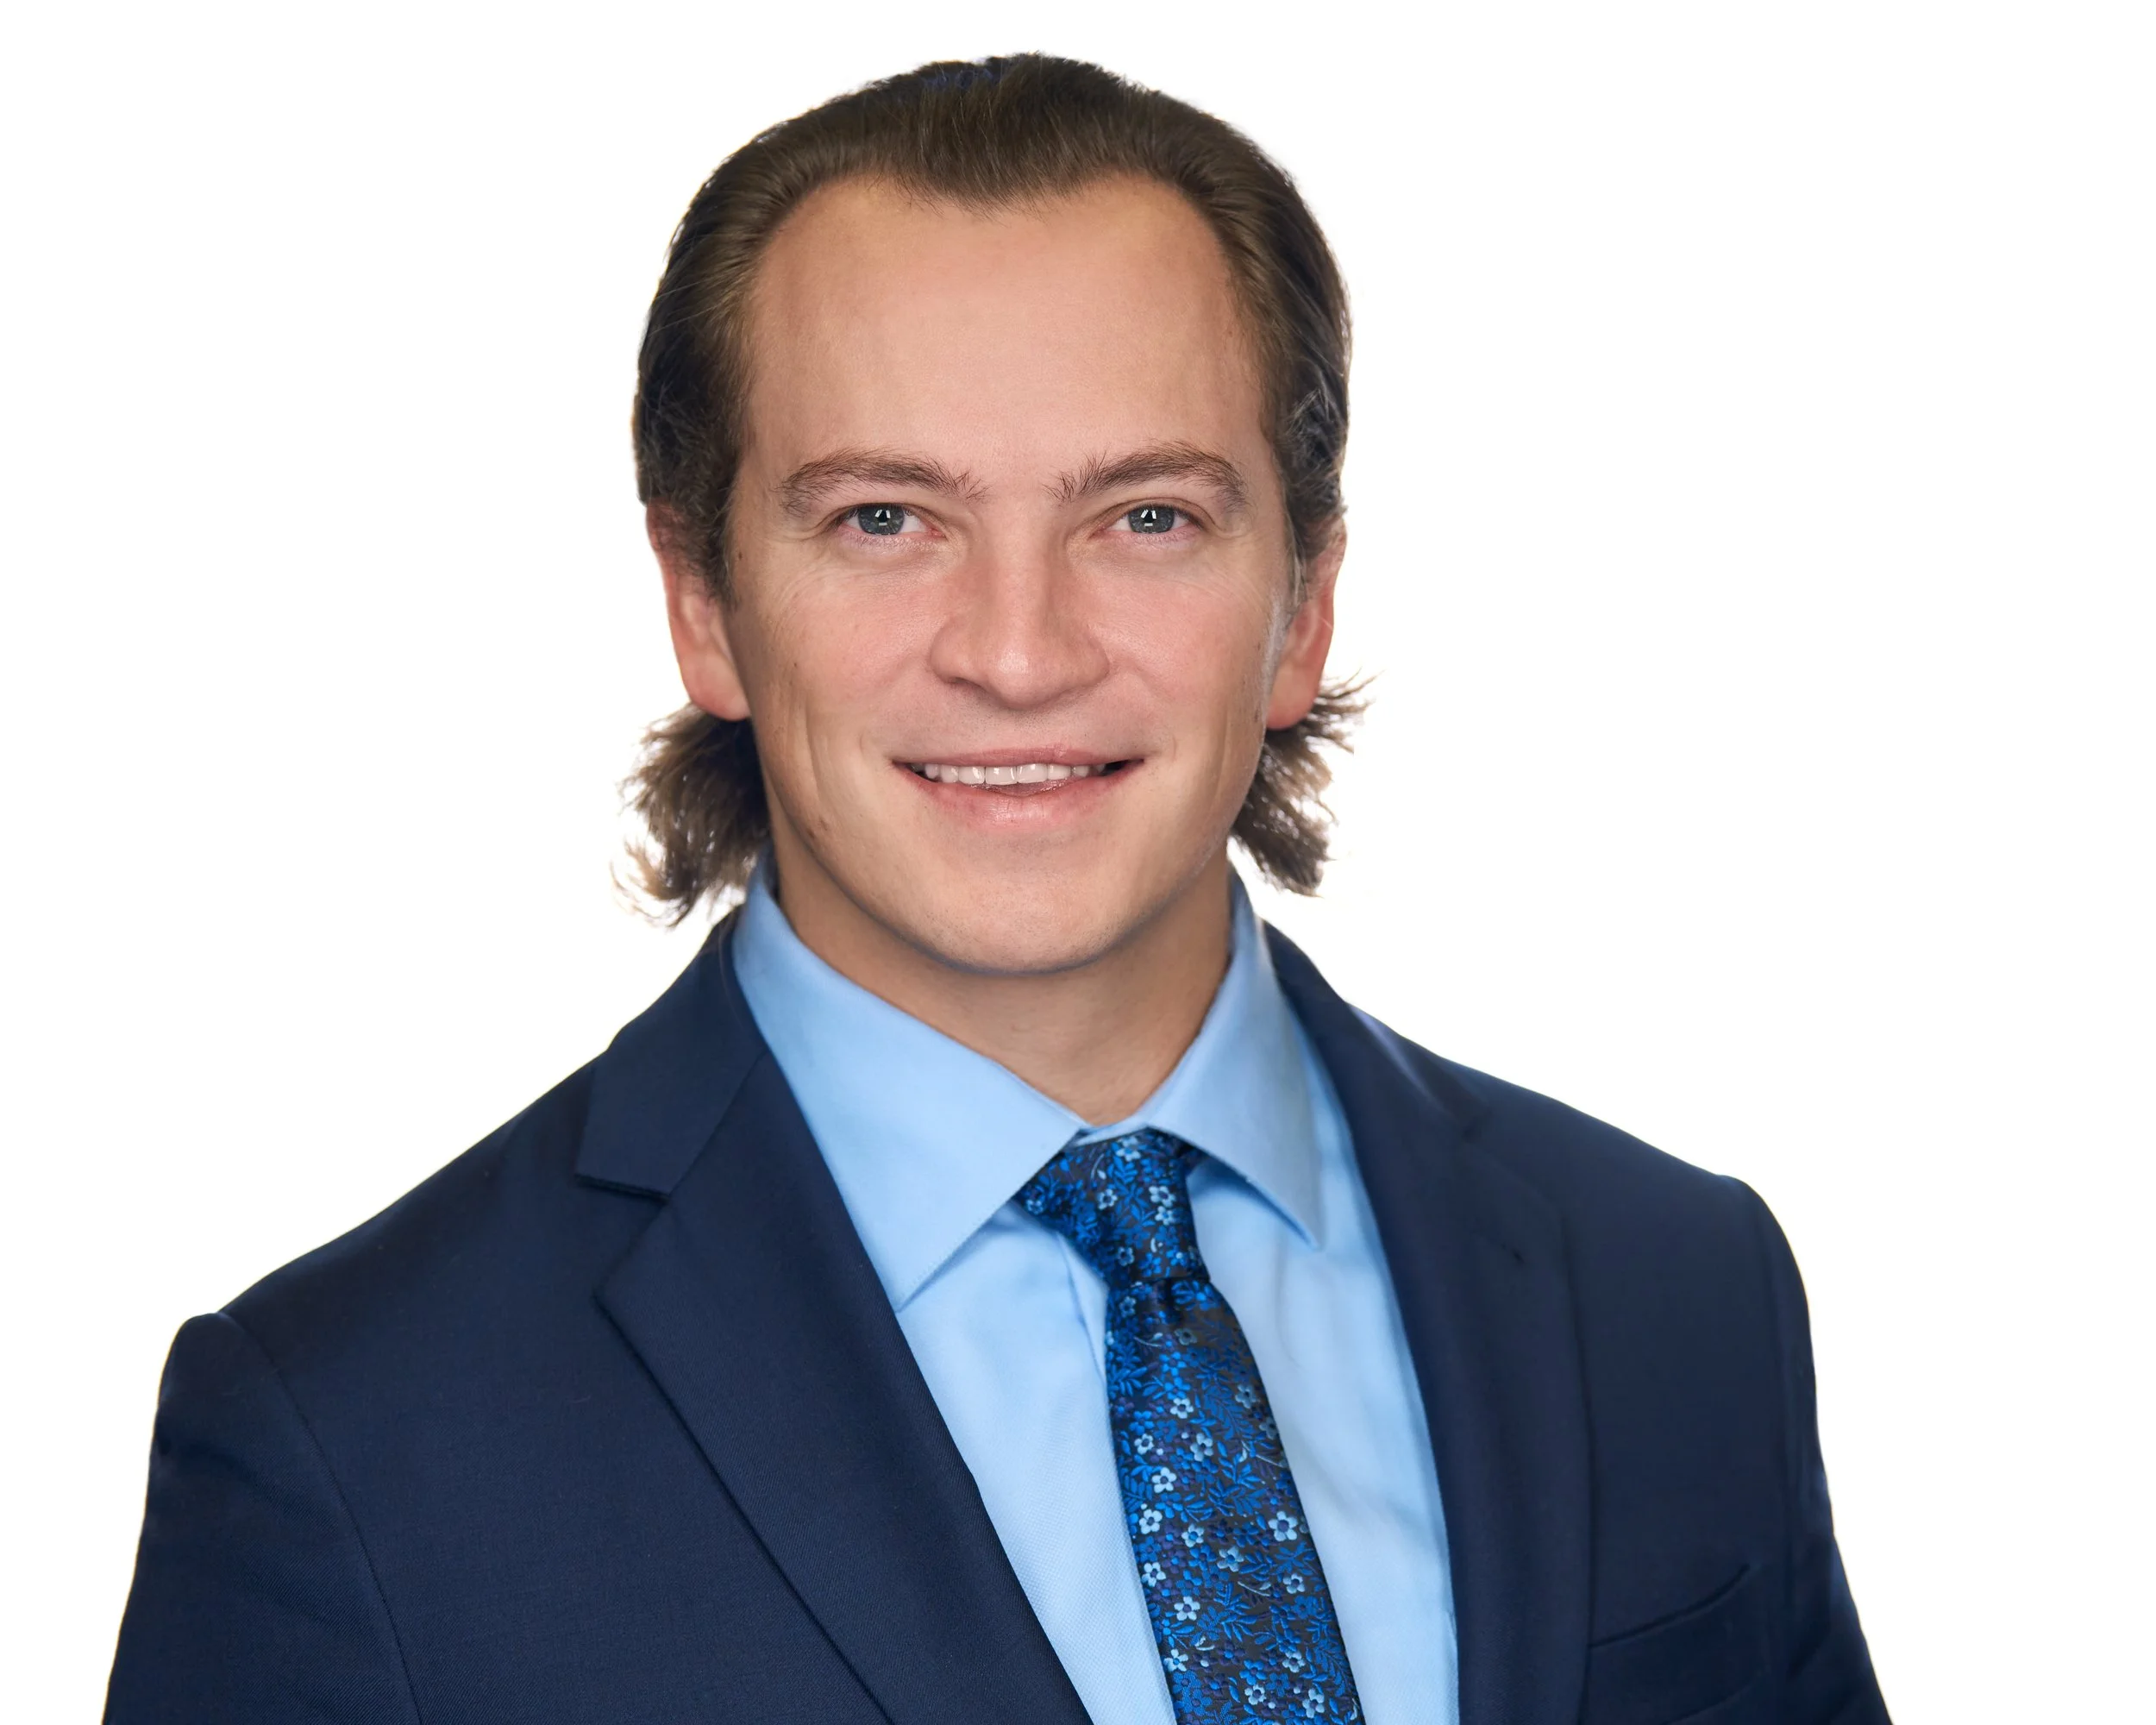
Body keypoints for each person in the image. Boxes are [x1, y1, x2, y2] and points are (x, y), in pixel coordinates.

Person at [105, 54, 1889, 1725]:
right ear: (704, 603)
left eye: (1147, 517)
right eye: (884, 519)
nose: (1019, 654)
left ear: (1304, 605)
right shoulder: (349, 1440)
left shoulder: (1675, 1291)